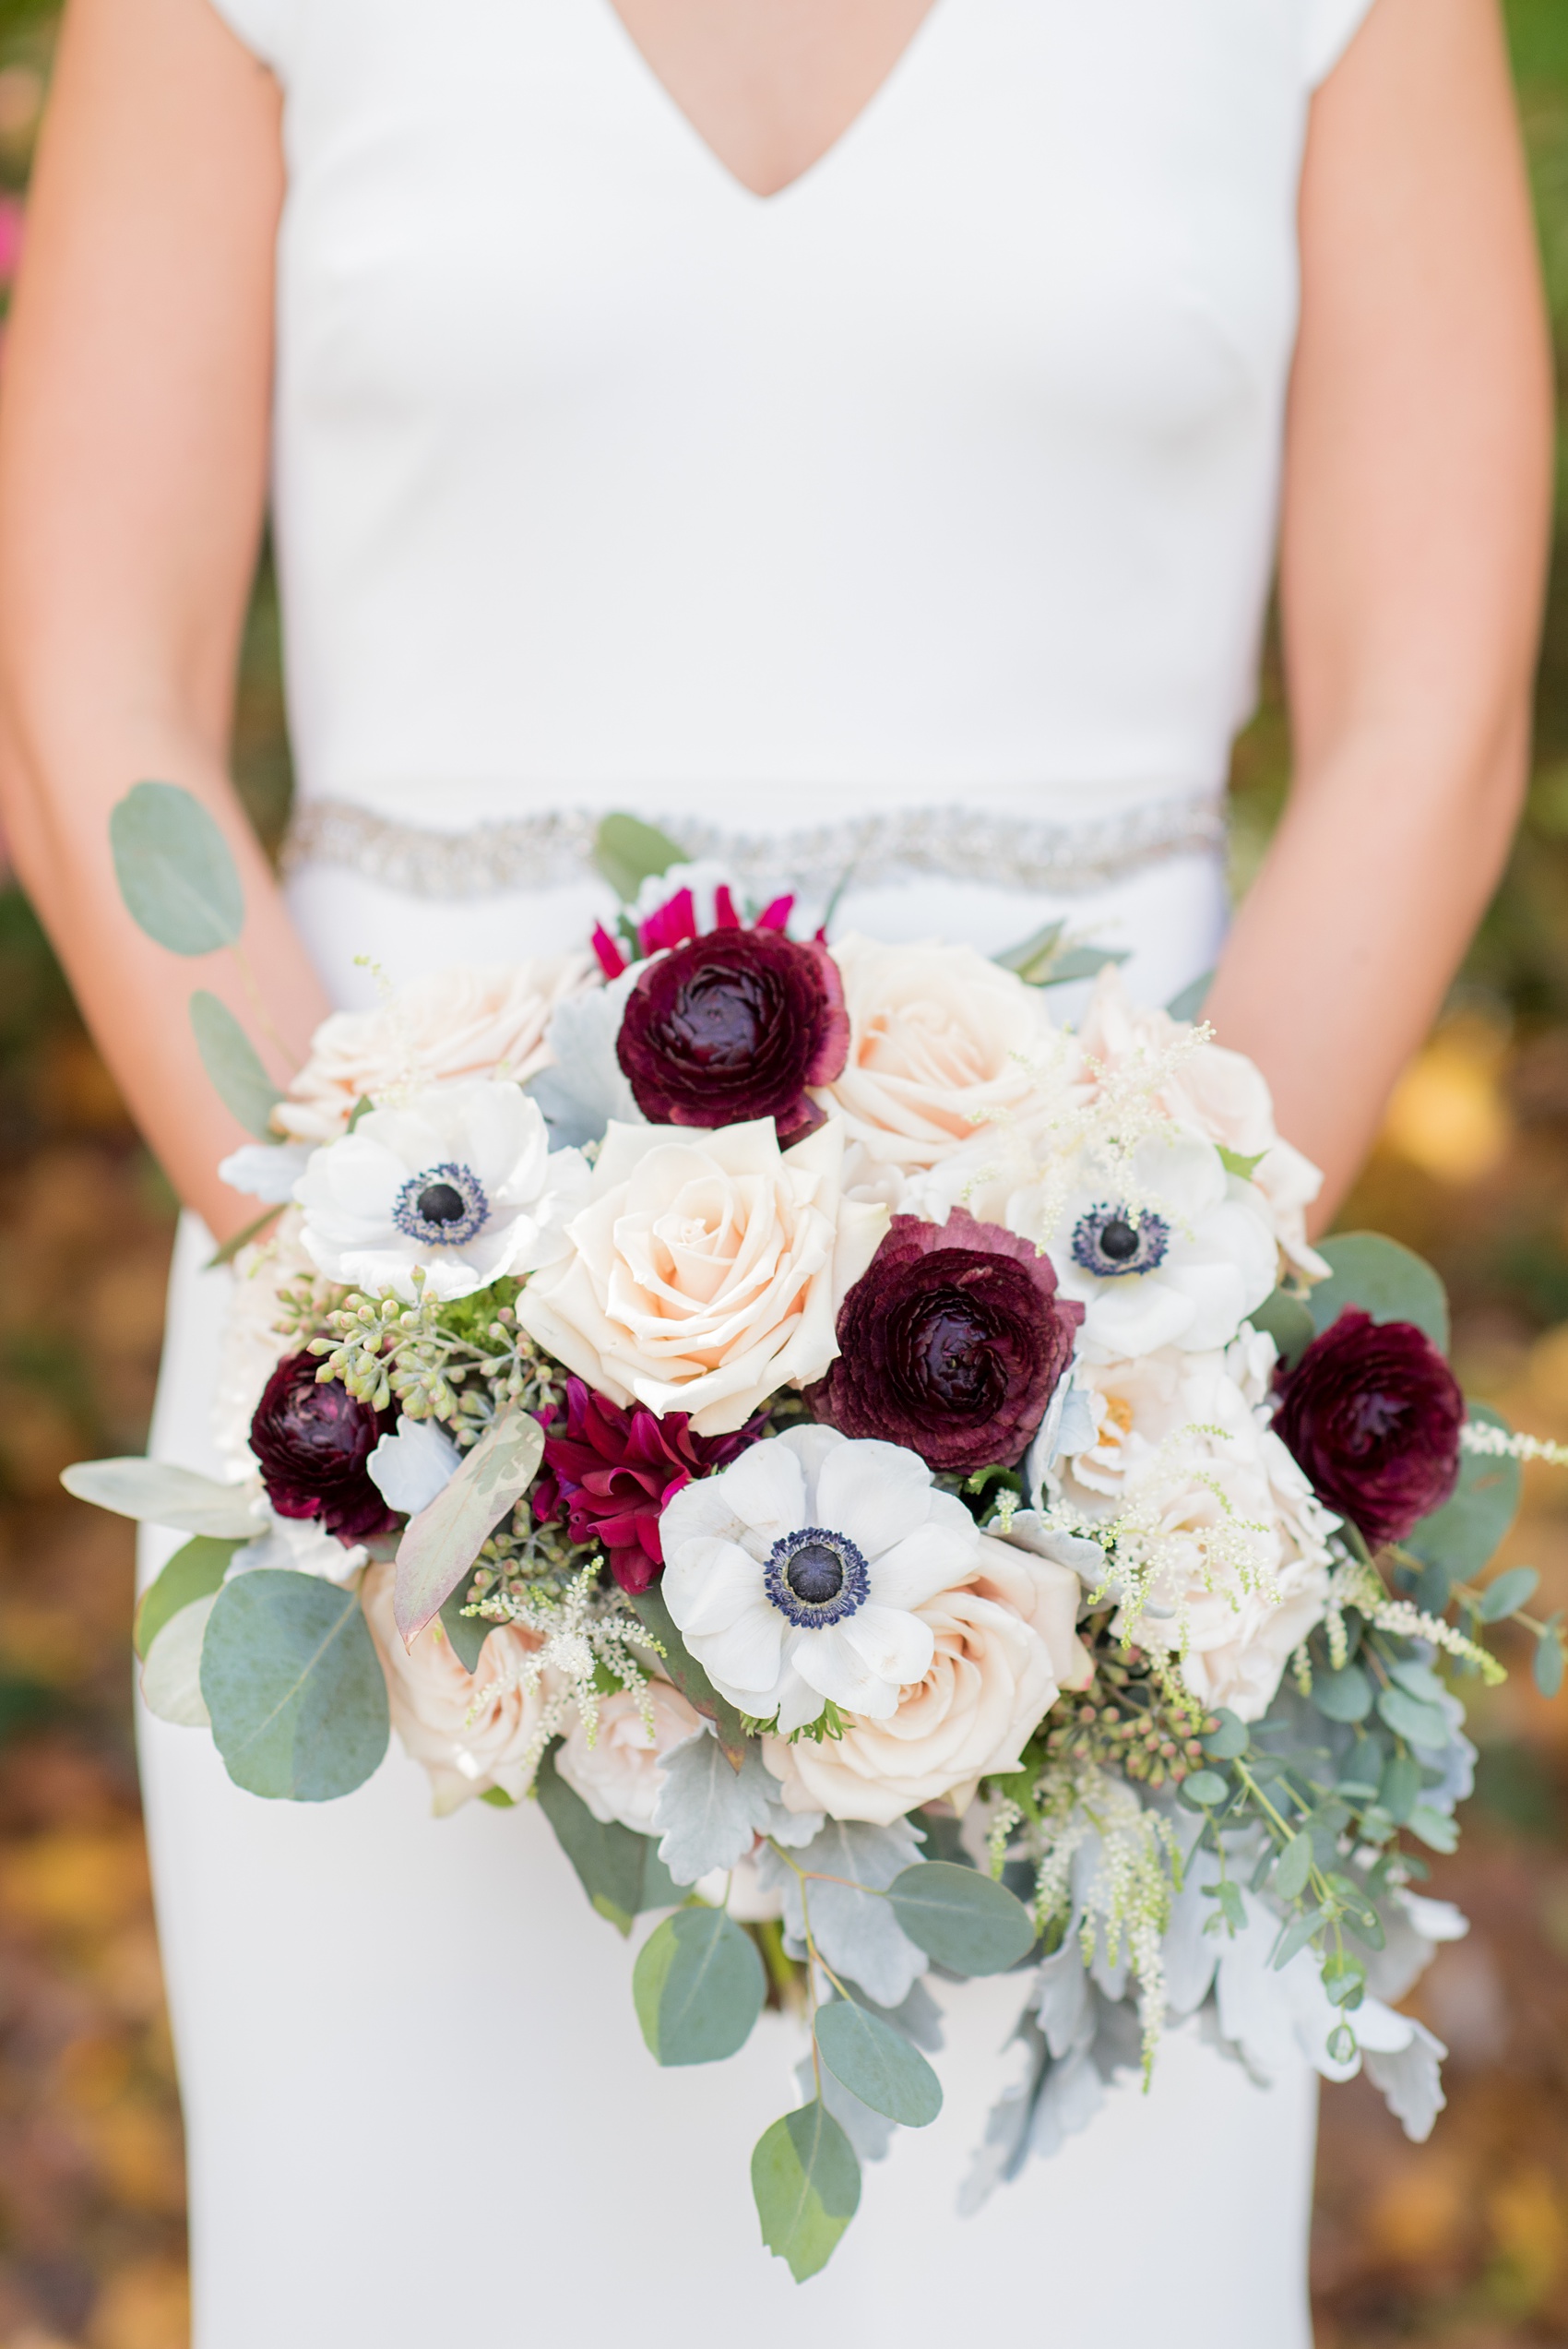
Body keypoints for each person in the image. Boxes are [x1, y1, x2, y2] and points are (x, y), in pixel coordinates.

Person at [0, 0, 1550, 2341]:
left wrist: (1128, 1384)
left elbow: (1428, 724)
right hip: (375, 1468)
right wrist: (410, 1351)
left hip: (1114, 1461)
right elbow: (77, 685)